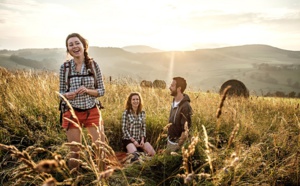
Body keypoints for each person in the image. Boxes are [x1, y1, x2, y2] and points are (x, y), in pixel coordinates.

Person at [59, 33, 105, 169]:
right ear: (68, 49)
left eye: (77, 43)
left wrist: (87, 90)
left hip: (92, 110)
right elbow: (61, 93)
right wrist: (68, 95)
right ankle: (73, 180)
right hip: (71, 112)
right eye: (70, 45)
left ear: (84, 45)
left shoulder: (94, 66)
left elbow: (101, 91)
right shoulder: (65, 68)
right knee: (75, 153)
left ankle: (102, 180)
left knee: (100, 149)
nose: (74, 47)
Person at [122, 92, 156, 161]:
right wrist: (134, 141)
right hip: (129, 139)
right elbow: (124, 129)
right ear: (130, 101)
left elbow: (144, 128)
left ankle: (145, 157)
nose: (135, 101)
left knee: (153, 154)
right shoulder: (126, 113)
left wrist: (142, 140)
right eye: (133, 99)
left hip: (140, 139)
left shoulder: (142, 112)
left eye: (137, 99)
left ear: (139, 101)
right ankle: (131, 152)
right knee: (135, 158)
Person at [166, 77, 192, 153]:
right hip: (170, 141)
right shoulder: (174, 101)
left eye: (172, 86)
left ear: (179, 88)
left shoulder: (185, 106)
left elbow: (185, 130)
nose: (169, 88)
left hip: (177, 145)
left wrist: (177, 147)